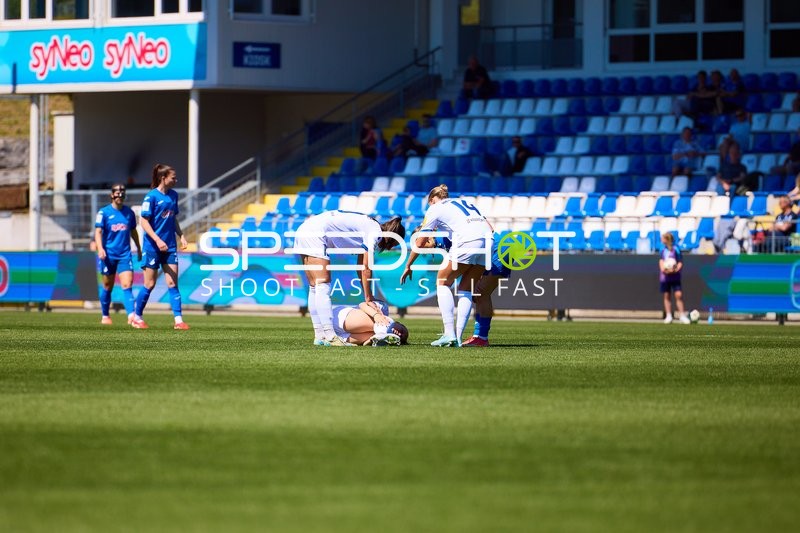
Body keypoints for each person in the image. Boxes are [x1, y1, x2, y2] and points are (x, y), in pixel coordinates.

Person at [293, 210, 405, 346]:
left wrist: (366, 295)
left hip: (306, 228)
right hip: (316, 233)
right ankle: (330, 336)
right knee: (322, 284)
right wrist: (369, 297)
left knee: (314, 287)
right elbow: (366, 268)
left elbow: (360, 267)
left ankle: (320, 336)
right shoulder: (375, 232)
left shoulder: (370, 226)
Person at [400, 184, 494, 347]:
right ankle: (457, 337)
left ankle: (449, 333)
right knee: (466, 288)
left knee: (442, 281)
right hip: (489, 242)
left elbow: (421, 240)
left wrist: (408, 264)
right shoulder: (465, 203)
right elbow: (491, 228)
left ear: (431, 200)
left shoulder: (435, 208)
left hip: (468, 241)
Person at [131, 164, 190, 330]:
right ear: (163, 178)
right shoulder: (151, 197)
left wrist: (182, 235)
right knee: (149, 284)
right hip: (152, 247)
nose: (176, 180)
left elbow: (173, 219)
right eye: (173, 177)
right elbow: (143, 222)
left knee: (172, 283)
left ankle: (178, 321)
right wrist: (157, 240)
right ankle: (137, 317)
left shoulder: (174, 196)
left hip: (170, 246)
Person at [94, 184, 142, 325]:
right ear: (112, 195)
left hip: (124, 255)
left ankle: (131, 316)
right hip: (108, 255)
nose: (119, 196)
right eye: (117, 193)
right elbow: (98, 232)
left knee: (127, 284)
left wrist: (138, 248)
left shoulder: (129, 213)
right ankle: (105, 315)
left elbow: (133, 231)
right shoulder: (104, 213)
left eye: (122, 194)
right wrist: (100, 248)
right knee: (108, 285)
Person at [331, 300, 409, 346]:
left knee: (371, 335)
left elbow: (362, 343)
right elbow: (363, 304)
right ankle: (385, 332)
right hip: (340, 315)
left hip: (338, 333)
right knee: (380, 318)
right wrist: (376, 315)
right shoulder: (382, 309)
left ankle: (381, 336)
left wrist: (371, 340)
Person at [659, 233, 690, 325]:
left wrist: (675, 269)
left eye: (663, 238)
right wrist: (664, 269)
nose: (661, 240)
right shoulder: (662, 250)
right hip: (665, 277)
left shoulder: (676, 249)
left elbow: (680, 262)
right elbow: (661, 261)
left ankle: (682, 315)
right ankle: (668, 315)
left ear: (667, 239)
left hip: (675, 277)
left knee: (678, 295)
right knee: (666, 295)